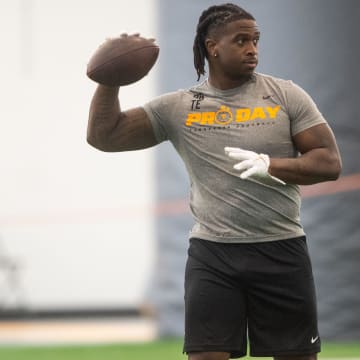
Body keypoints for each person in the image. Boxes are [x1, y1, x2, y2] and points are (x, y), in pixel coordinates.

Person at [86, 3, 342, 360]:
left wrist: (272, 165)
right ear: (212, 47)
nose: (252, 49)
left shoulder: (285, 95)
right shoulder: (179, 107)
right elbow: (105, 137)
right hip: (214, 254)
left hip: (280, 248)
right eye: (241, 41)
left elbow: (329, 162)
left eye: (256, 40)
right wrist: (108, 82)